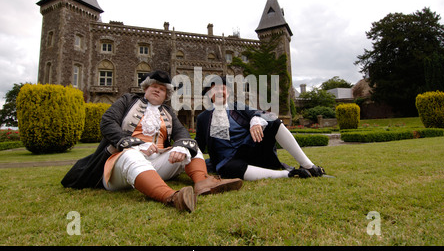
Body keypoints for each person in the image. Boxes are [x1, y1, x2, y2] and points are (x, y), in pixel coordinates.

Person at [61, 70, 242, 212]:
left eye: (162, 88)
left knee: (191, 147)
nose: (157, 89)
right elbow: (108, 122)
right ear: (145, 89)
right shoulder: (127, 101)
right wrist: (135, 144)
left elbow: (182, 134)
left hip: (156, 164)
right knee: (131, 155)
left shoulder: (168, 113)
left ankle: (203, 183)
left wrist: (182, 147)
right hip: (120, 168)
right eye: (153, 86)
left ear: (166, 95)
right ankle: (172, 197)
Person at [195, 76, 326, 181]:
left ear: (228, 93)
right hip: (229, 161)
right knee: (227, 169)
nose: (218, 92)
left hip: (252, 149)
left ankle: (309, 166)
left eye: (222, 88)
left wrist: (255, 121)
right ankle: (288, 175)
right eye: (214, 89)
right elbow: (199, 145)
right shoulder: (203, 118)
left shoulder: (238, 107)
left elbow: (259, 113)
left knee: (273, 121)